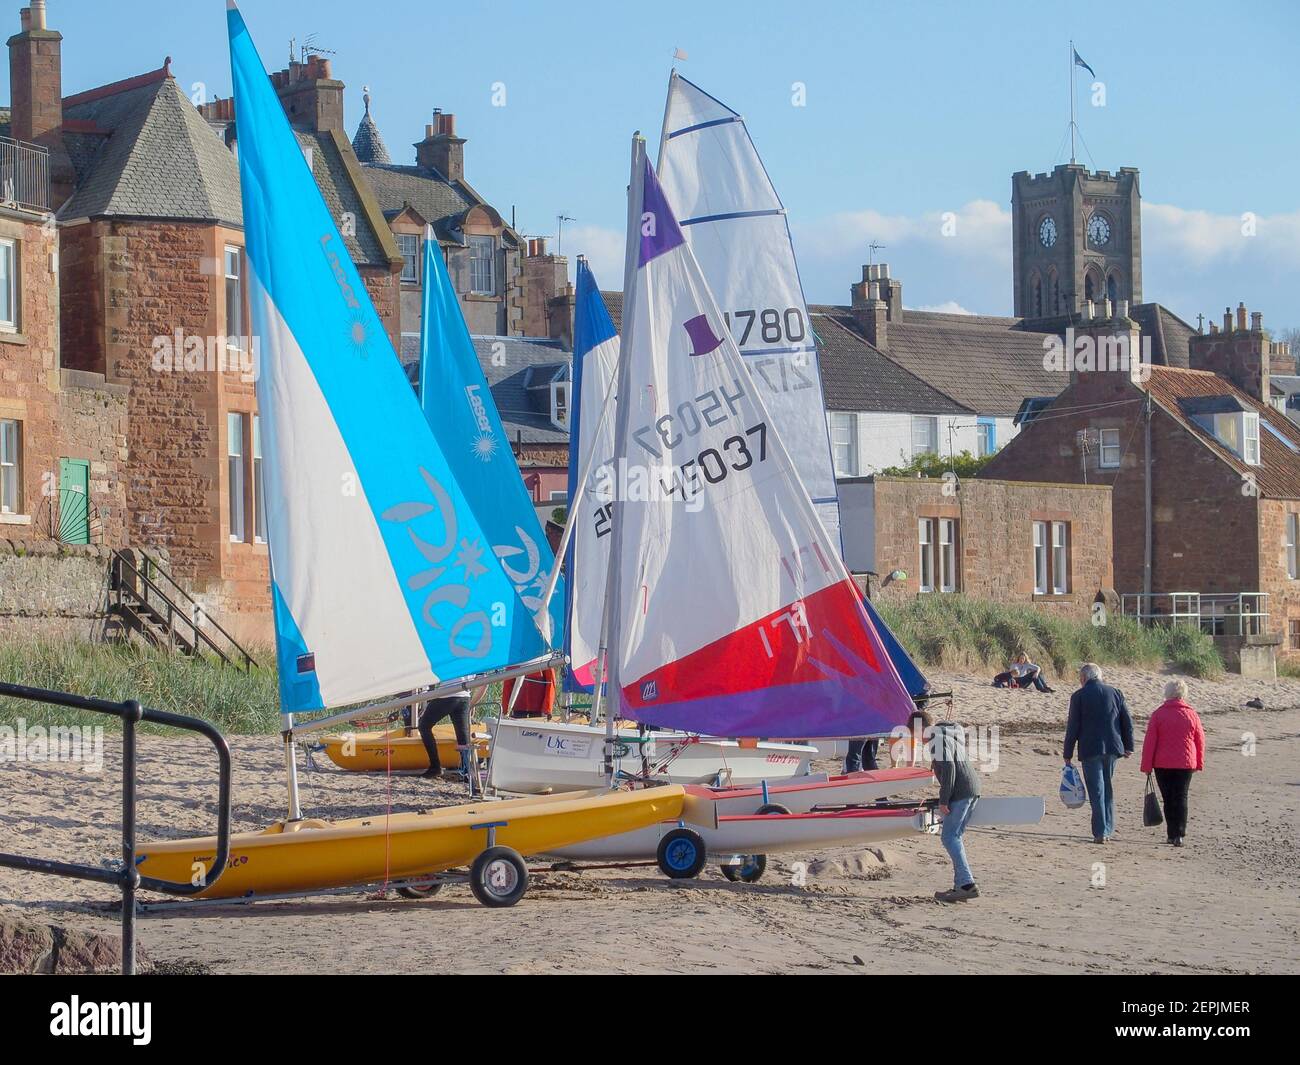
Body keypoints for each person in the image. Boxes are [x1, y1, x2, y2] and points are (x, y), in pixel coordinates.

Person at [1064, 662, 1134, 843]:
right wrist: (1129, 746)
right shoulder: (1115, 692)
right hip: (1112, 747)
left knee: (1097, 790)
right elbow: (1126, 721)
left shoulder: (1078, 696)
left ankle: (1101, 831)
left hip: (1090, 748)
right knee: (1107, 787)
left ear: (1083, 678)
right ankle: (1107, 829)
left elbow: (1073, 727)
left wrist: (1067, 753)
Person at [1140, 678, 1205, 847]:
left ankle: (1171, 833)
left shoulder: (1158, 714)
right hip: (1185, 763)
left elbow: (1150, 742)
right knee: (1181, 797)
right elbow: (1200, 740)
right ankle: (1179, 833)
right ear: (1183, 694)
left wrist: (1146, 765)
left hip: (1162, 763)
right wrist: (1199, 762)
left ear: (1167, 694)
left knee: (1168, 798)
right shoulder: (1192, 714)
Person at [930, 716, 981, 902]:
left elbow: (950, 768)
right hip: (972, 788)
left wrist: (944, 800)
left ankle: (967, 884)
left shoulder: (936, 738)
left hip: (962, 792)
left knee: (949, 837)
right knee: (954, 836)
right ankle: (962, 884)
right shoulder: (948, 733)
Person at [418, 687, 471, 781]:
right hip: (465, 696)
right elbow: (482, 681)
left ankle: (435, 767)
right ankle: (467, 772)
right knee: (462, 734)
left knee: (424, 726)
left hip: (448, 693)